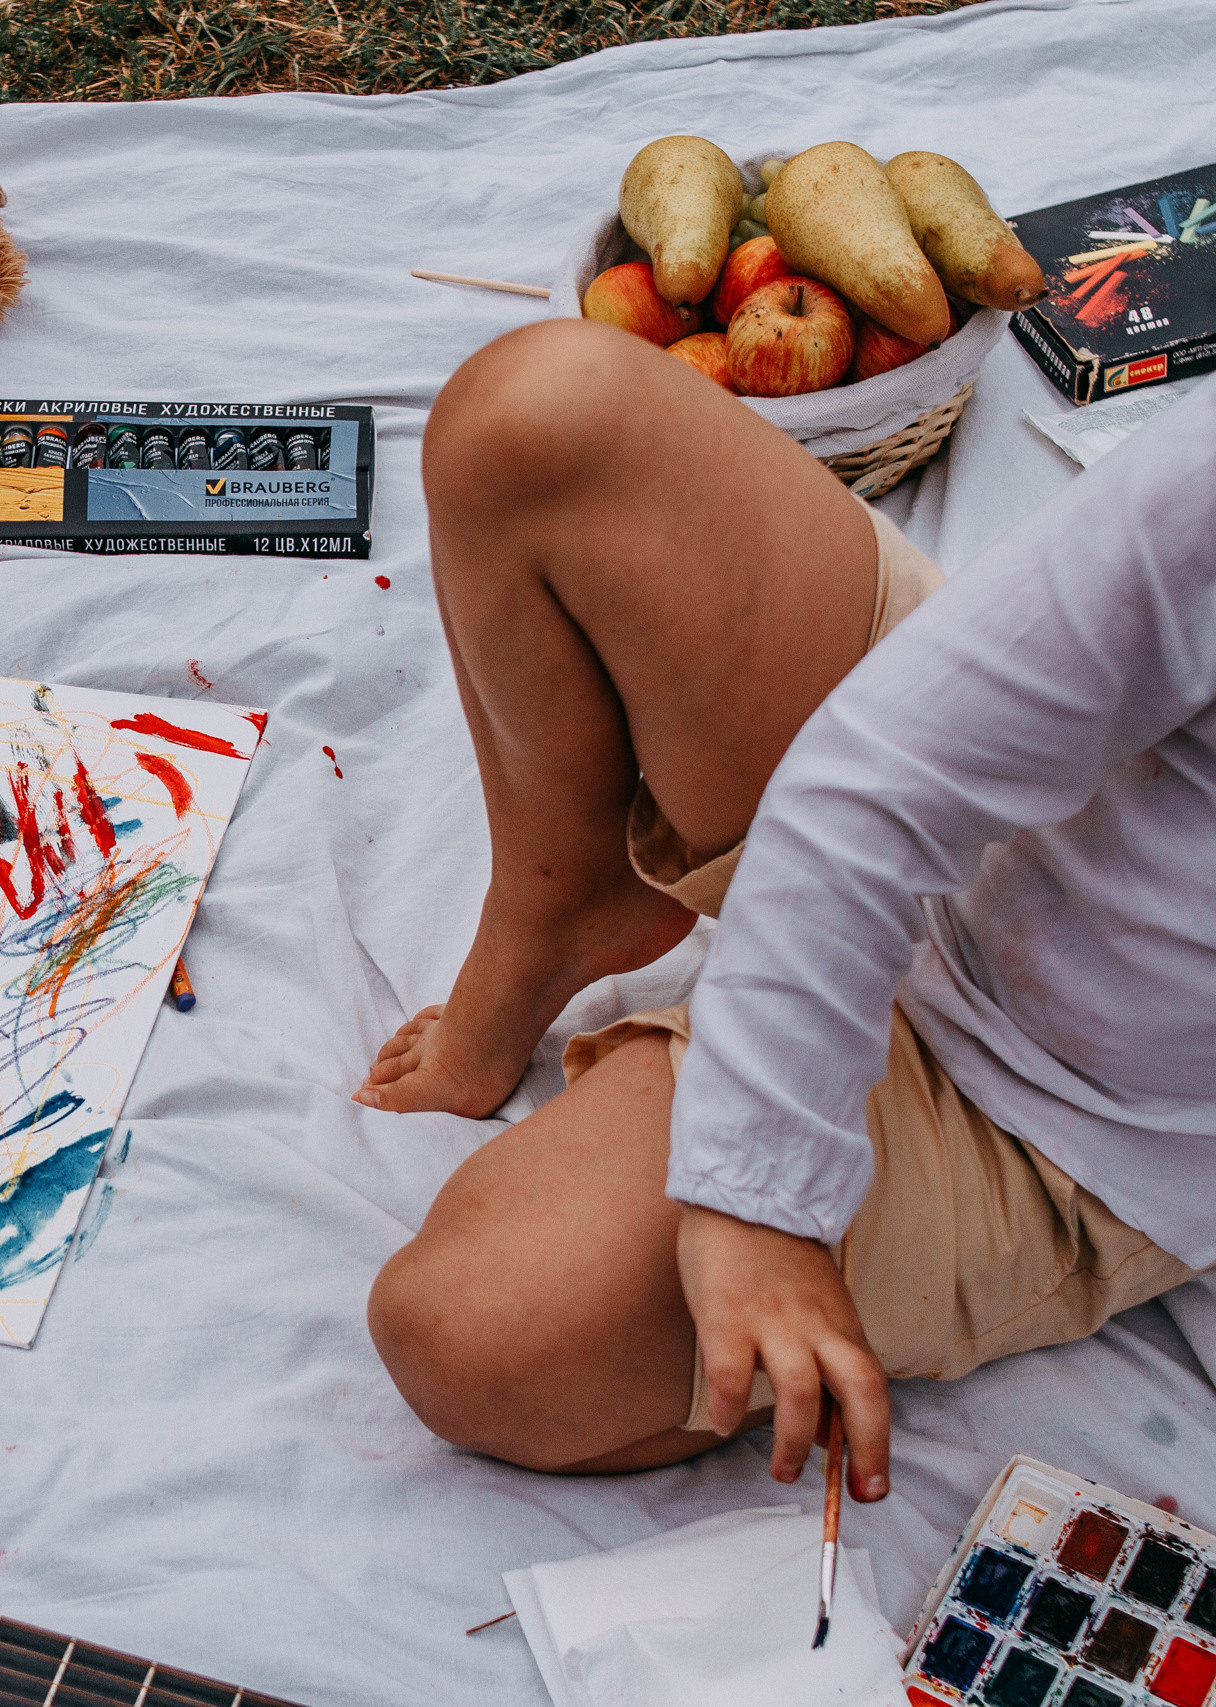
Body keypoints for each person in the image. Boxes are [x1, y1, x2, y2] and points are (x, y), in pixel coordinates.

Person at [357, 316, 1216, 1506]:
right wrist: (758, 1196)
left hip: (1059, 1111)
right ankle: (563, 904)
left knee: (468, 1332)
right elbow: (888, 773)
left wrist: (771, 1196)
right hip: (985, 820)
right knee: (537, 412)